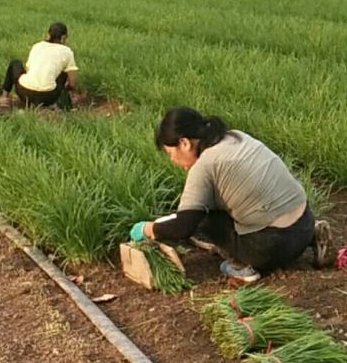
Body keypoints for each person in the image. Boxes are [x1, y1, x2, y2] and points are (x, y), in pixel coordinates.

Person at [129, 107, 331, 283]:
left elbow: (183, 227)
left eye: (171, 154)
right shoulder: (235, 137)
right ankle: (312, 237)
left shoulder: (204, 166)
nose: (173, 161)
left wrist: (148, 229)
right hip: (304, 222)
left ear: (184, 143)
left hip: (272, 247)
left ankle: (243, 268)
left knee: (205, 219)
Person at [0, 21, 78, 108]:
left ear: (48, 35)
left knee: (15, 63)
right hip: (48, 97)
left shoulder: (37, 46)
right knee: (65, 72)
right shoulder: (67, 51)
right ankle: (64, 103)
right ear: (63, 38)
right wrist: (67, 87)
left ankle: (4, 97)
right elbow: (72, 83)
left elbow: (29, 69)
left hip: (24, 93)